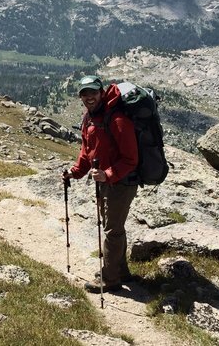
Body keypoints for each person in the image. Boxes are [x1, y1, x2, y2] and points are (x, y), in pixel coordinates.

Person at [62, 74, 139, 293]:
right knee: (113, 226)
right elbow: (87, 153)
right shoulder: (89, 118)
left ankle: (110, 278)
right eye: (84, 94)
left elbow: (131, 159)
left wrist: (108, 174)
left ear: (101, 92)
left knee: (112, 230)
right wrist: (74, 173)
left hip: (122, 183)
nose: (89, 97)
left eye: (93, 93)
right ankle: (120, 270)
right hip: (105, 181)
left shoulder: (117, 119)